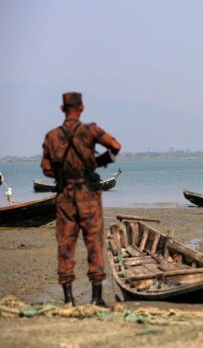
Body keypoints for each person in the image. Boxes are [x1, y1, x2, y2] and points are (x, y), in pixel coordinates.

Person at [41, 92, 121, 307]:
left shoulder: (51, 137)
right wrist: (97, 162)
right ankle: (96, 298)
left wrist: (63, 174)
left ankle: (68, 299)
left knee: (65, 244)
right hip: (89, 194)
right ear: (82, 108)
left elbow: (47, 169)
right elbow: (115, 146)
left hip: (65, 195)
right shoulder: (90, 131)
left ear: (62, 109)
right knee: (94, 242)